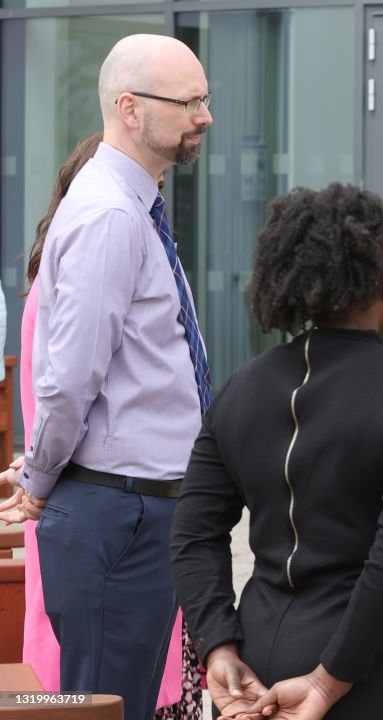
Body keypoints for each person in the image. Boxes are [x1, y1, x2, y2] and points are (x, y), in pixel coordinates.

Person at [171, 183, 383, 720]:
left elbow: (193, 531)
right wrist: (328, 682)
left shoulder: (242, 387)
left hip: (253, 674)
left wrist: (219, 647)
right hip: (373, 675)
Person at [0, 34, 213, 720]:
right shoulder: (110, 215)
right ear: (129, 109)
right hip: (115, 513)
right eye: (188, 102)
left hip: (132, 510)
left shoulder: (130, 205)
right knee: (103, 704)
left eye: (205, 99)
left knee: (120, 702)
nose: (204, 116)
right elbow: (67, 381)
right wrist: (36, 483)